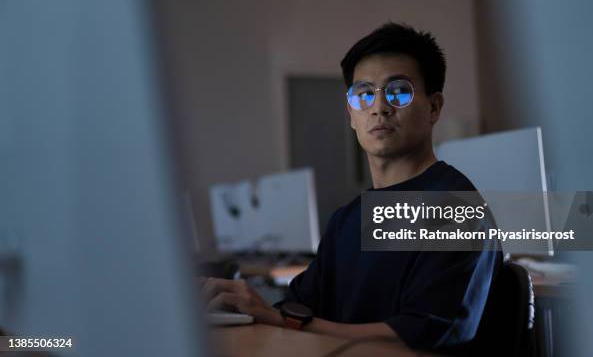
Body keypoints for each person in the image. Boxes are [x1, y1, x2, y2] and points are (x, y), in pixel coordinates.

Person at [202, 22, 502, 351]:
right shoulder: (347, 220)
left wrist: (284, 320)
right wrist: (246, 311)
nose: (379, 107)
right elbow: (298, 310)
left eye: (398, 91)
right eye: (364, 94)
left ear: (434, 107)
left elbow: (418, 339)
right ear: (351, 114)